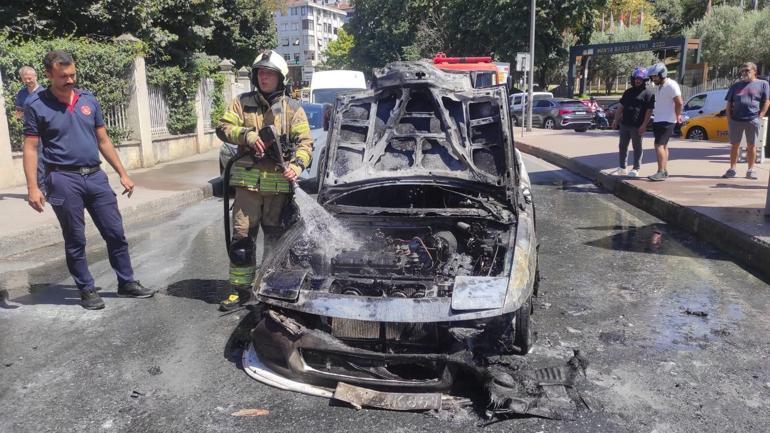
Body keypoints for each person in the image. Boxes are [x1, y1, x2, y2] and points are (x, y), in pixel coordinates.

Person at [22, 50, 155, 310]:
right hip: (62, 178)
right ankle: (86, 289)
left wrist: (122, 173)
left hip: (95, 176)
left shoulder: (88, 99)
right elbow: (30, 148)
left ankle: (126, 282)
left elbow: (103, 140)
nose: (70, 80)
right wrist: (32, 187)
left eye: (72, 74)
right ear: (48, 74)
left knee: (115, 233)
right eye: (63, 76)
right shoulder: (36, 104)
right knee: (75, 238)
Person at [216, 50, 313, 311]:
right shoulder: (241, 102)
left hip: (278, 189)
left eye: (269, 73)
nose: (263, 77)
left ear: (280, 78)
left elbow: (306, 144)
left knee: (276, 242)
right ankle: (241, 292)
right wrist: (246, 135)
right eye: (260, 73)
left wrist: (297, 165)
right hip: (247, 188)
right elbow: (223, 127)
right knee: (242, 241)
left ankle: (271, 289)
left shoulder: (293, 109)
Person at [722, 62, 770, 180]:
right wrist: (729, 119)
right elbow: (729, 103)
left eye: (747, 70)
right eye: (742, 71)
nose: (744, 73)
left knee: (751, 145)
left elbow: (767, 101)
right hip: (736, 120)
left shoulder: (763, 84)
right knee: (734, 145)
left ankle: (750, 170)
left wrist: (761, 115)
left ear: (755, 71)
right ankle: (732, 169)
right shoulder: (736, 86)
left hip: (752, 119)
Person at [612, 67, 654, 177]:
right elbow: (621, 107)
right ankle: (622, 168)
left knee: (637, 147)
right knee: (622, 146)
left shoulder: (648, 94)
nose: (637, 81)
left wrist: (644, 125)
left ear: (644, 80)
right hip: (624, 124)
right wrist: (616, 120)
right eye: (636, 79)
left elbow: (649, 111)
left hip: (637, 126)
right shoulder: (628, 92)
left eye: (640, 79)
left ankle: (636, 169)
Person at [646, 63, 683, 181]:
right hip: (659, 119)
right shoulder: (660, 86)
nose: (653, 79)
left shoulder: (671, 85)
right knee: (664, 146)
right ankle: (664, 170)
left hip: (666, 120)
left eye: (655, 76)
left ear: (662, 74)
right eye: (652, 77)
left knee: (658, 145)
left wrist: (678, 115)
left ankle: (660, 172)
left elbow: (679, 102)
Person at [14, 66, 47, 194]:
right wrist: (18, 117)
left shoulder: (44, 93)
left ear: (35, 76)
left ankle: (45, 186)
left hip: (45, 130)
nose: (27, 81)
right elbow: (19, 111)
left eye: (29, 78)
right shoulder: (22, 93)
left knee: (43, 158)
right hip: (30, 131)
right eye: (24, 79)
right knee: (34, 159)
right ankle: (40, 188)